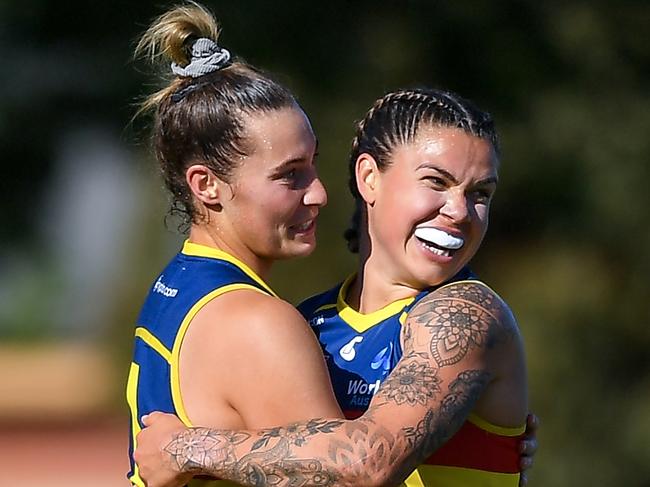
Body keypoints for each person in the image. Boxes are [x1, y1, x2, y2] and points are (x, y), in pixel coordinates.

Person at [129, 3, 537, 487]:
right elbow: (354, 460)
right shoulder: (300, 322)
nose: (460, 211)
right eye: (435, 182)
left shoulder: (466, 314)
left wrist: (188, 447)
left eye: (480, 194)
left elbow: (367, 461)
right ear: (369, 178)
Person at [125, 4, 343, 486]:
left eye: (313, 164)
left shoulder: (178, 283)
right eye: (290, 176)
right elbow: (350, 477)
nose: (320, 192)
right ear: (206, 185)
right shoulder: (256, 324)